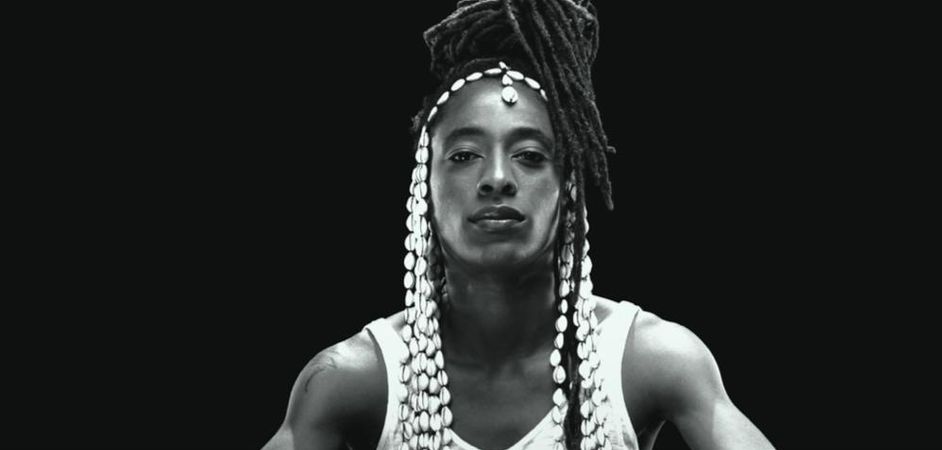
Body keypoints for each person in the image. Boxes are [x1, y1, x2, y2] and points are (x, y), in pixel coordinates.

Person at [264, 1, 774, 449]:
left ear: (569, 185)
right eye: (464, 155)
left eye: (529, 155)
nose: (497, 178)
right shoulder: (356, 378)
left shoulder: (649, 360)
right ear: (425, 184)